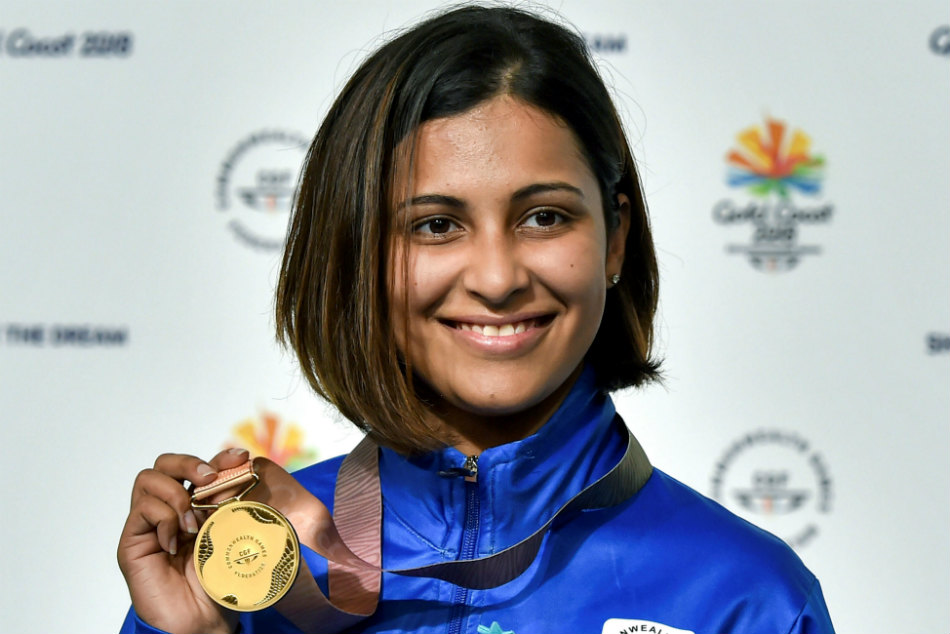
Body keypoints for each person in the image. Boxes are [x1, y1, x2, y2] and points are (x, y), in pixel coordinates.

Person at [117, 6, 835, 634]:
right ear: (357, 252)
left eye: (544, 217)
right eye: (436, 225)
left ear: (615, 238)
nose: (497, 279)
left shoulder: (746, 598)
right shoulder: (243, 570)